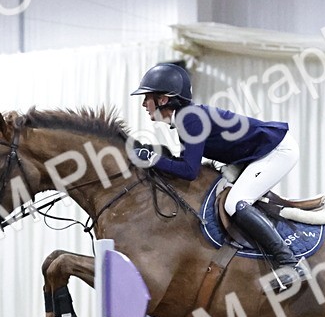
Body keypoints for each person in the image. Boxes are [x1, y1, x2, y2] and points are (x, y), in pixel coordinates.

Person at [131, 63, 308, 293]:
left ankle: (290, 263)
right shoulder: (187, 118)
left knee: (235, 203)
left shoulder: (190, 119)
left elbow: (189, 171)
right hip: (257, 154)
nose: (144, 104)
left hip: (277, 150)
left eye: (147, 98)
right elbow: (184, 163)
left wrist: (151, 158)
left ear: (163, 99)